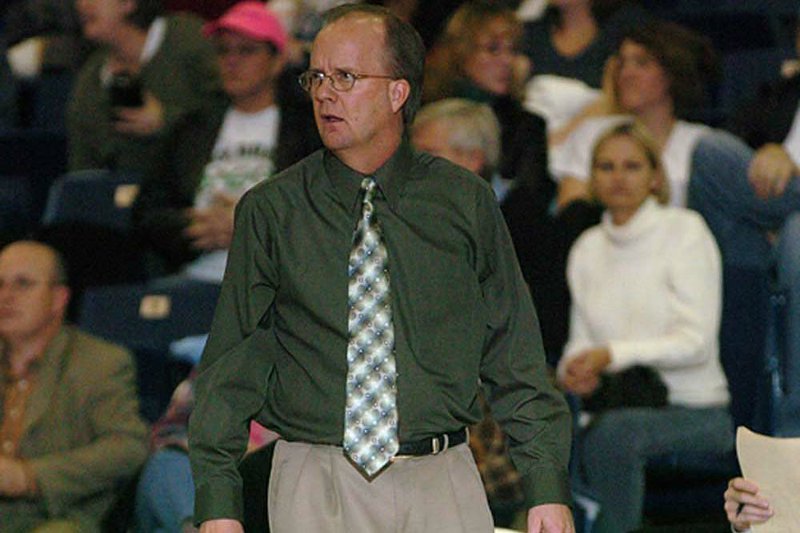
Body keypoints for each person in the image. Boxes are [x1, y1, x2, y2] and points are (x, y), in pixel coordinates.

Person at [188, 4, 574, 533]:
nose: (325, 92)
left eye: (346, 77)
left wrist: (546, 487)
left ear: (398, 92)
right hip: (312, 477)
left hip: (443, 475)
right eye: (316, 76)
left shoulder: (464, 201)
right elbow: (230, 367)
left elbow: (514, 351)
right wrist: (219, 505)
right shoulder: (272, 209)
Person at [557, 123, 732, 533]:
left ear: (655, 176)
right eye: (606, 166)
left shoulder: (685, 232)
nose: (618, 177)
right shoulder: (586, 248)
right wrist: (574, 370)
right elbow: (579, 341)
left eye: (632, 166)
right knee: (544, 428)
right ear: (592, 177)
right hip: (612, 405)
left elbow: (696, 344)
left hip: (696, 411)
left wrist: (611, 355)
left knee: (613, 437)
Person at [132, 1, 321, 278]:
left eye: (246, 51)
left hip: (276, 284)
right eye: (223, 51)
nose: (231, 61)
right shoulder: (191, 128)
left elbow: (322, 214)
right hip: (194, 280)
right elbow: (147, 214)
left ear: (277, 61)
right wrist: (193, 225)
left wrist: (250, 226)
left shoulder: (307, 129)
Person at [0, 240, 149, 531]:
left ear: (58, 298)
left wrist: (30, 477)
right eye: (0, 284)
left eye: (23, 284)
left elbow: (128, 447)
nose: (6, 296)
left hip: (58, 517)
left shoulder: (101, 363)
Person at [68, 0, 224, 179]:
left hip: (212, 180)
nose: (82, 5)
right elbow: (83, 174)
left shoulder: (188, 39)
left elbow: (234, 110)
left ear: (128, 3)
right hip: (134, 199)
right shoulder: (90, 80)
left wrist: (166, 119)